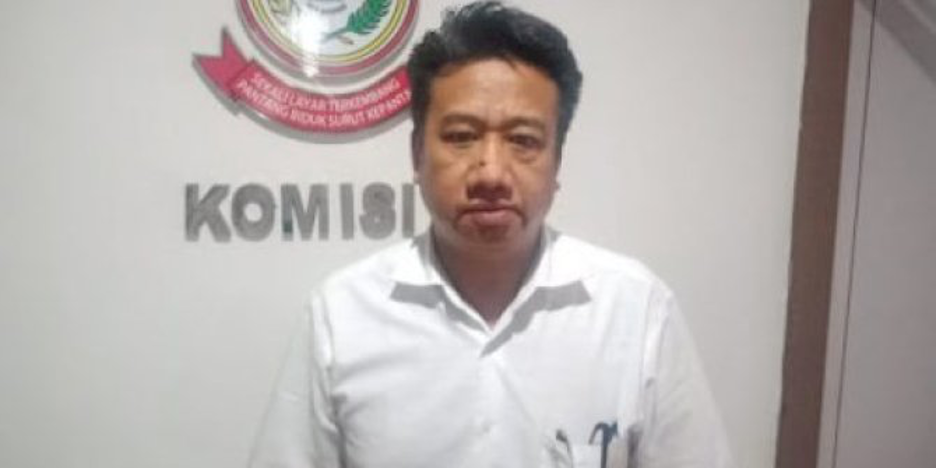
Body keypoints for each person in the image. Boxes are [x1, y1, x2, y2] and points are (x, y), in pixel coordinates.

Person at [249, 2, 733, 467]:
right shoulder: (341, 315)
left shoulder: (636, 310)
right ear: (417, 155)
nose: (491, 173)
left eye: (523, 141)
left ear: (557, 162)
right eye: (461, 137)